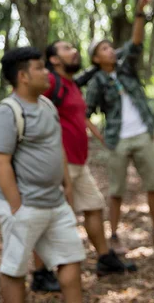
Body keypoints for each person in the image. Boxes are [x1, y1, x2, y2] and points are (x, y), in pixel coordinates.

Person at [85, 0, 154, 252]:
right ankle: (113, 236)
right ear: (95, 58)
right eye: (104, 49)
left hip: (142, 134)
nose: (110, 50)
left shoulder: (125, 68)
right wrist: (101, 138)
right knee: (116, 190)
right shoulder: (96, 82)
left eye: (110, 46)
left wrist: (140, 10)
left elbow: (136, 43)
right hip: (117, 140)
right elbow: (85, 114)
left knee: (153, 185)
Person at [0, 47, 85, 303]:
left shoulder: (47, 105)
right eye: (40, 68)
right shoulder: (8, 112)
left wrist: (67, 185)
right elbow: (0, 161)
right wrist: (17, 207)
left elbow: (57, 146)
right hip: (24, 205)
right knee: (15, 270)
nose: (46, 73)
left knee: (71, 260)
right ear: (23, 77)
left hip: (55, 202)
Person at [41, 41, 136, 278]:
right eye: (66, 49)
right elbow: (26, 105)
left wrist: (100, 137)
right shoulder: (50, 82)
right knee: (51, 216)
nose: (74, 51)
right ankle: (42, 273)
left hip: (78, 162)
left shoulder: (70, 84)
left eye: (74, 48)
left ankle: (104, 259)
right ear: (53, 59)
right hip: (58, 162)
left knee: (94, 206)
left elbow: (80, 118)